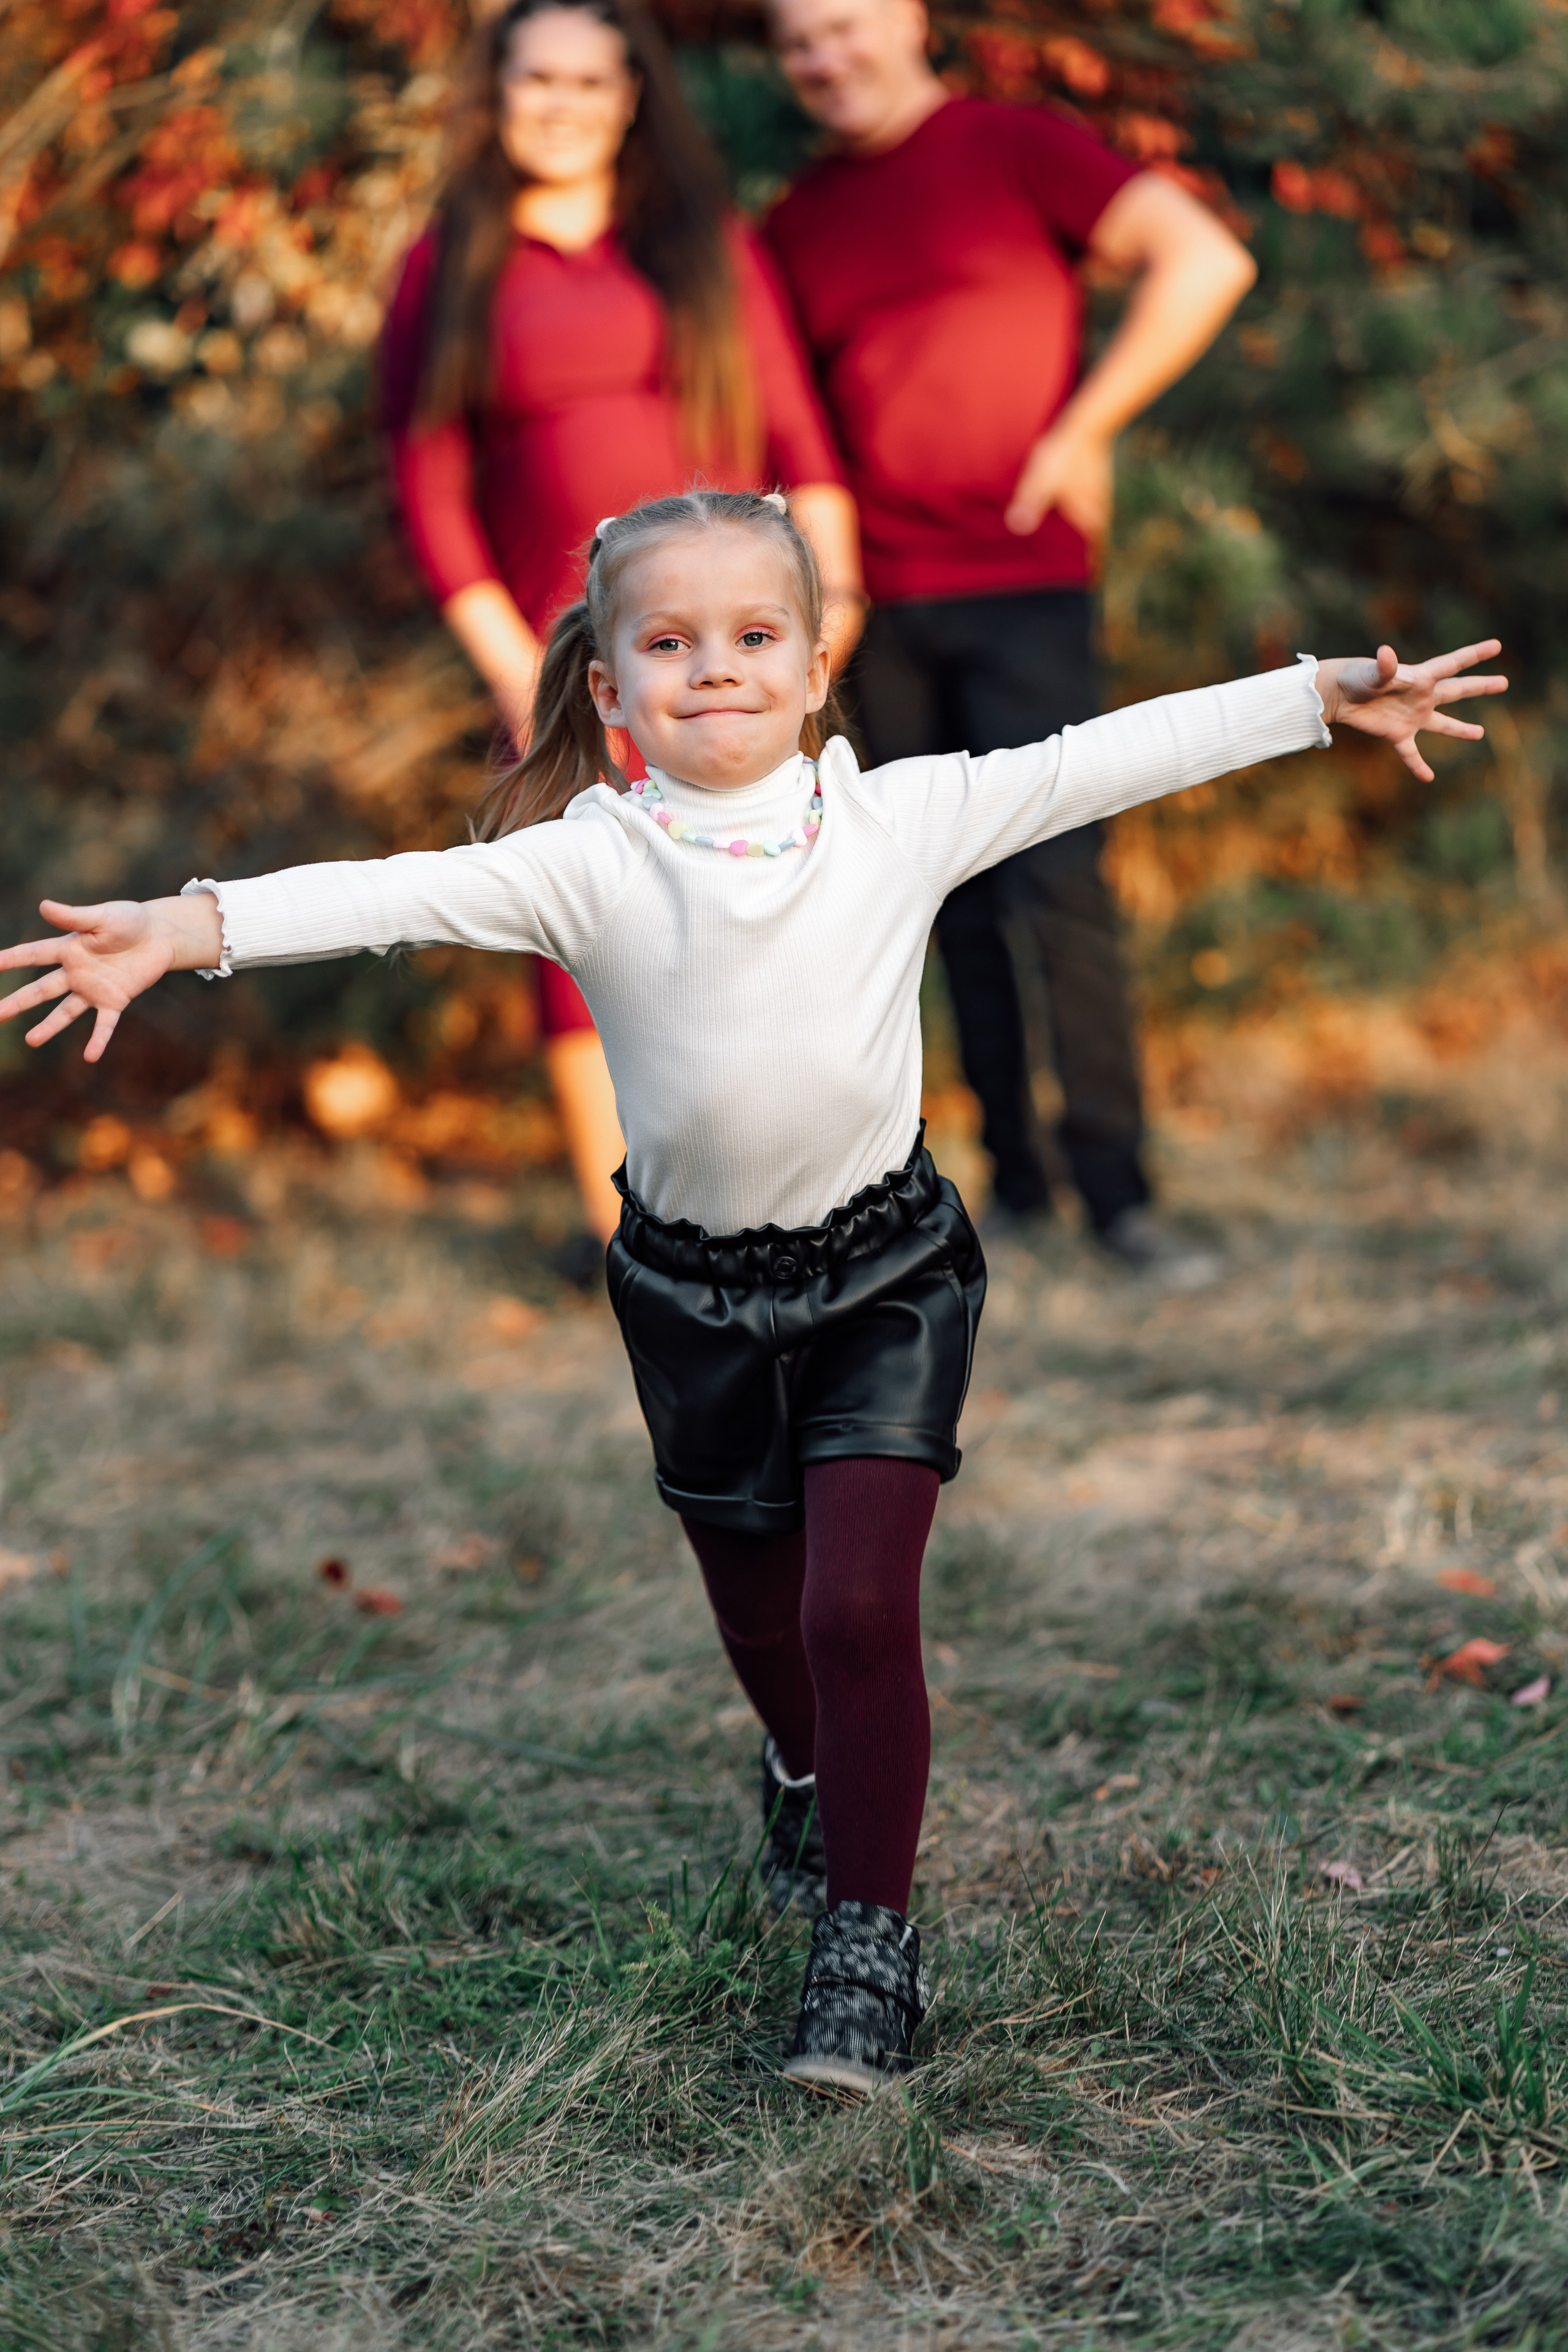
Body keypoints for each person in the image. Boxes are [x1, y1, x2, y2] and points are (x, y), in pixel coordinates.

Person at [0, 491, 1503, 2092]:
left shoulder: (901, 820)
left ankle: (868, 1942)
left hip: (885, 1278)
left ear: (813, 665)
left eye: (751, 637)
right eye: (669, 642)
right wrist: (187, 925)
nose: (713, 667)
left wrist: (1317, 696)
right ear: (610, 689)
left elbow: (1099, 756)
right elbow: (385, 892)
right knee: (760, 1609)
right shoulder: (587, 865)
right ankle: (796, 1765)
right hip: (689, 1298)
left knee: (857, 1607)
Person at [764, 0, 1257, 1273]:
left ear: (907, 21)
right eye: (795, 41)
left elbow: (1203, 259)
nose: (823, 57)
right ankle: (1015, 1188)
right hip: (874, 602)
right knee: (942, 896)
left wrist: (1082, 428)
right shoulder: (792, 223)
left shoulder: (1015, 146)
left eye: (842, 26)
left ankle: (1118, 1195)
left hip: (1022, 582)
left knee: (1059, 885)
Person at [382, 0, 859, 1249]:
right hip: (565, 668)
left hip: (729, 656)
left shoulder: (701, 242)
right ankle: (634, 1239)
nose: (561, 102)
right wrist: (524, 680)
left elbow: (800, 440)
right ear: (497, 90)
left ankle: (783, 1212)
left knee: (762, 917)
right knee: (584, 932)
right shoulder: (449, 262)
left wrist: (830, 612)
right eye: (536, 77)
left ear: (631, 94)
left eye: (589, 80)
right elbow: (428, 493)